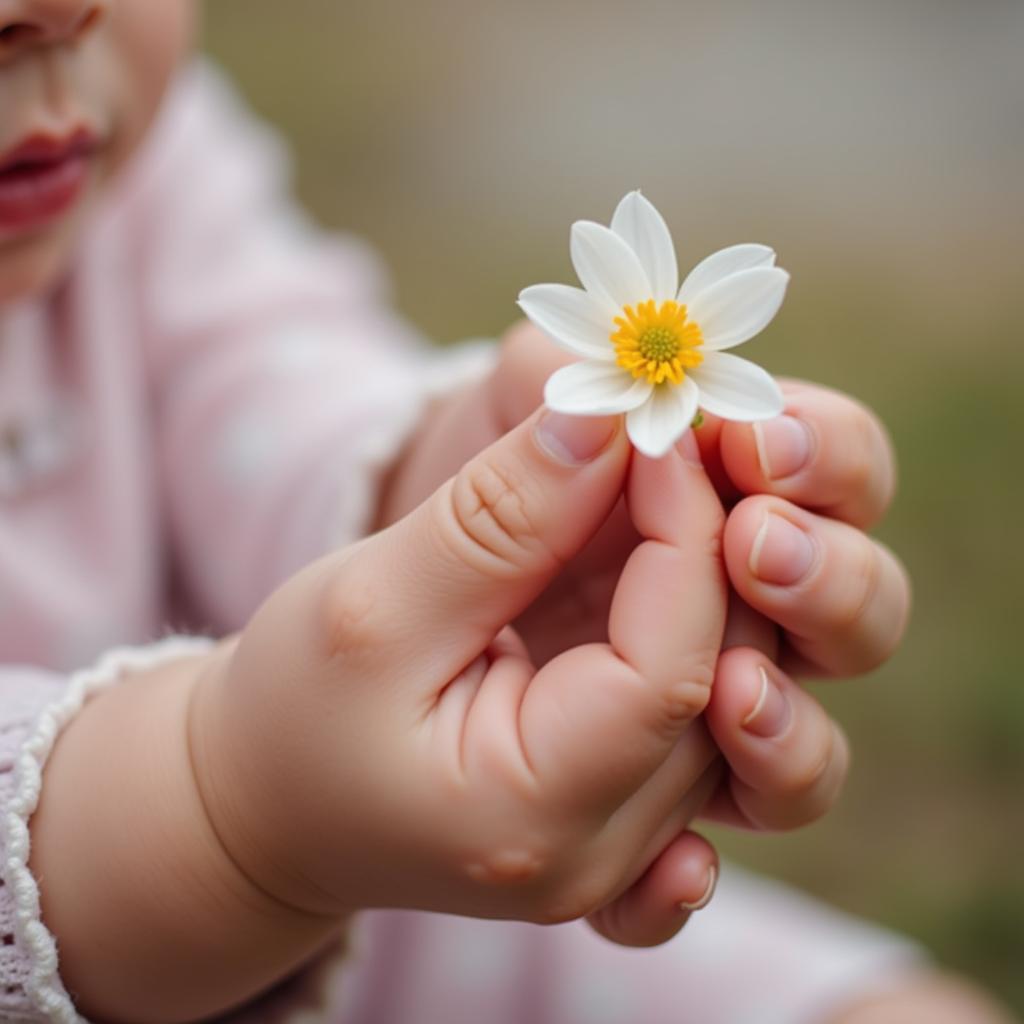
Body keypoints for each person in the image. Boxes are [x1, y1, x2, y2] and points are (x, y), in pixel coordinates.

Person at [0, 2, 1011, 1022]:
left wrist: (441, 492)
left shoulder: (125, 161)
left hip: (395, 894)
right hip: (250, 872)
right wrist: (227, 818)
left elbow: (260, 376)